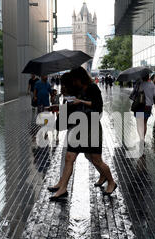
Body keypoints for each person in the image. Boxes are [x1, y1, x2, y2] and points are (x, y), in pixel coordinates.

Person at [48, 67, 118, 200]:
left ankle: (111, 181)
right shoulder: (78, 90)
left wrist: (80, 101)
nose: (74, 82)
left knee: (96, 160)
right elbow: (72, 105)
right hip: (78, 128)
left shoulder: (92, 88)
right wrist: (61, 102)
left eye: (75, 80)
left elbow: (98, 106)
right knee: (69, 158)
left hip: (91, 127)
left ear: (80, 78)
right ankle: (62, 189)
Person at [135, 74, 155, 140]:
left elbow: (135, 94)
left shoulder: (139, 84)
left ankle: (141, 137)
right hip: (148, 107)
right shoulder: (152, 84)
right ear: (148, 76)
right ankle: (143, 138)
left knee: (139, 123)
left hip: (139, 106)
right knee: (144, 123)